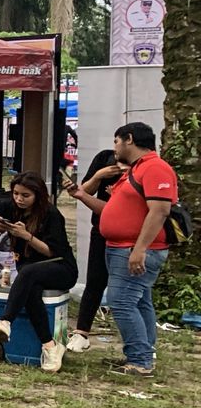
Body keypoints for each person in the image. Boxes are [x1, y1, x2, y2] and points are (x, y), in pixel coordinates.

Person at [70, 122, 177, 377]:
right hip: (120, 247)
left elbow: (160, 210)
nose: (114, 147)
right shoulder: (136, 169)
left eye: (116, 141)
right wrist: (83, 196)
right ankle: (143, 353)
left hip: (134, 249)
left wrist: (140, 248)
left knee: (121, 301)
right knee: (139, 301)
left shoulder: (155, 168)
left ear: (129, 139)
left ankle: (140, 360)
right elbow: (111, 210)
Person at [0, 171, 77, 372]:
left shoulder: (51, 214)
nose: (19, 199)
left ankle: (5, 321)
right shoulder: (12, 206)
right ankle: (50, 346)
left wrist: (26, 236)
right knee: (31, 291)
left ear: (38, 195)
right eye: (16, 193)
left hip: (60, 267)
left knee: (28, 273)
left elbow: (51, 251)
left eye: (25, 195)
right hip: (30, 273)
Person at [65, 149, 120, 352]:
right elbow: (84, 191)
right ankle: (81, 332)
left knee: (127, 289)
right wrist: (99, 175)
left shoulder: (140, 168)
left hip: (129, 234)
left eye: (119, 142)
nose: (117, 147)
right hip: (101, 228)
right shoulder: (105, 158)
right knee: (95, 280)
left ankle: (140, 343)